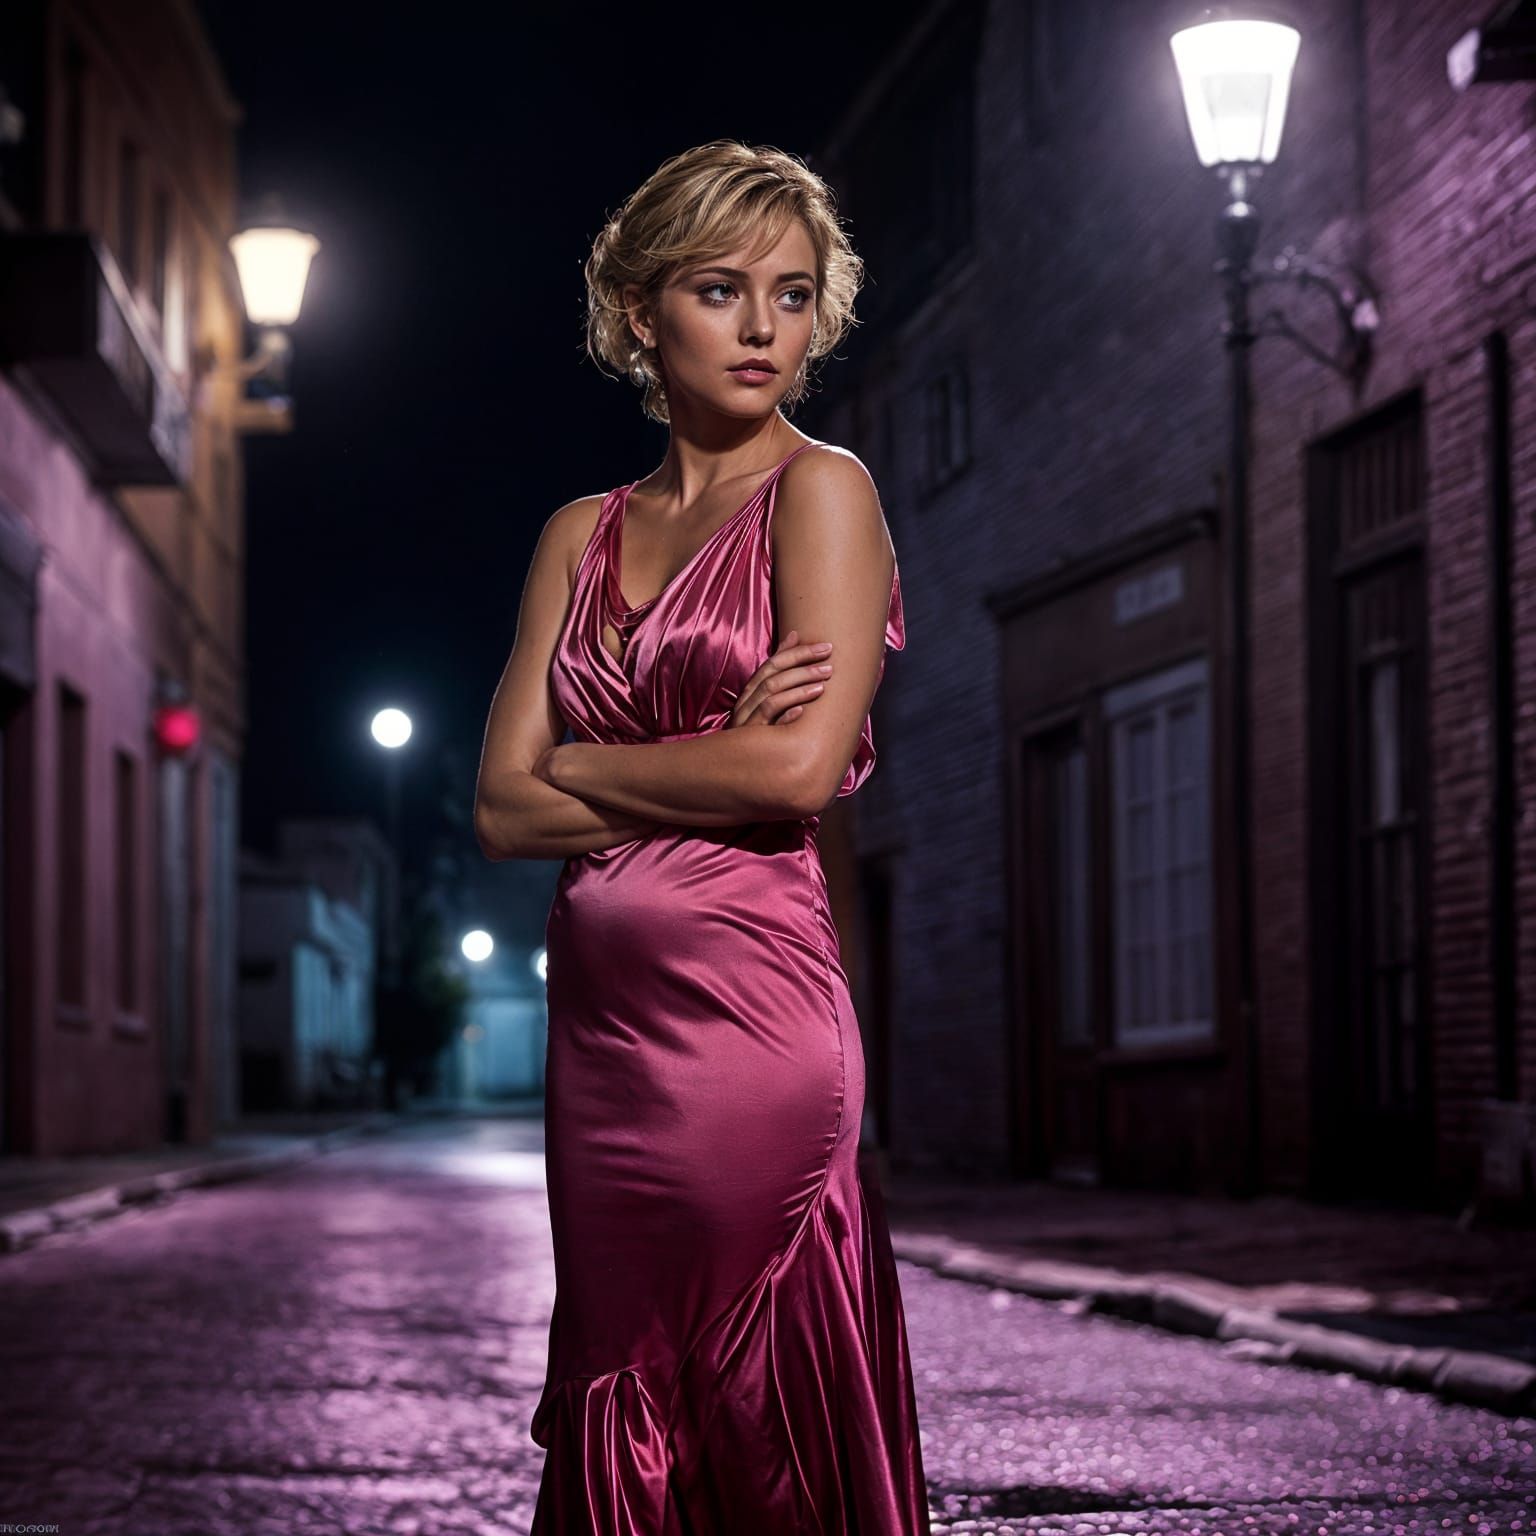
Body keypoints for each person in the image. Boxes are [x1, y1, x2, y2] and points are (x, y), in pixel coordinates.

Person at [474, 139, 929, 1535]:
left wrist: (598, 768)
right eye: (722, 289)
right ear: (638, 315)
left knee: (755, 1399)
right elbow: (500, 807)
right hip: (604, 1055)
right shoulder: (576, 535)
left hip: (757, 1035)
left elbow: (793, 768)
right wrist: (698, 753)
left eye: (793, 297)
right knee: (622, 1369)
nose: (762, 328)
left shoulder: (825, 493)